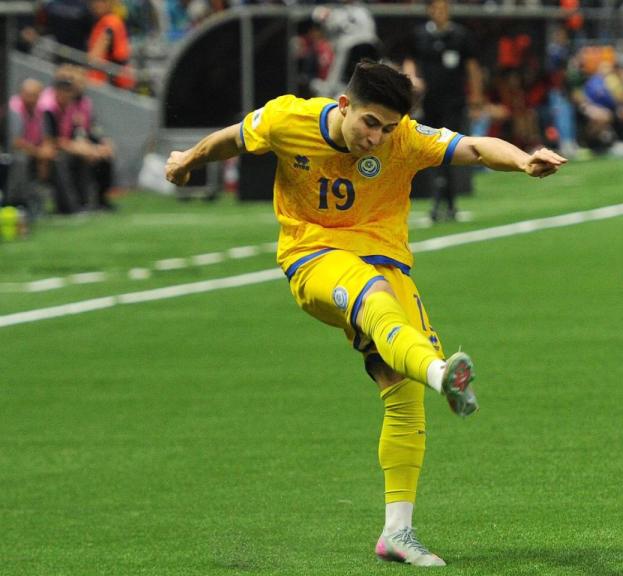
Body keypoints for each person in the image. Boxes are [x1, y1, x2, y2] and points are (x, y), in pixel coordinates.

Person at [163, 60, 566, 567]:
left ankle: (398, 533)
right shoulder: (290, 119)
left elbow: (476, 147)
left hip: (386, 260)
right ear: (344, 105)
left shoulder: (404, 139)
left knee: (401, 392)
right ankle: (444, 375)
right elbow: (234, 138)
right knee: (373, 299)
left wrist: (525, 160)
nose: (376, 138)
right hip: (315, 258)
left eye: (388, 128)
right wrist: (187, 161)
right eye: (370, 123)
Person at [402, 0, 484, 223]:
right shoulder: (419, 35)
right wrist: (413, 81)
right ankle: (441, 200)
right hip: (428, 102)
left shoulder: (460, 36)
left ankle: (446, 201)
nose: (440, 13)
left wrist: (476, 98)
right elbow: (409, 61)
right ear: (429, 11)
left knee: (449, 148)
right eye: (436, 9)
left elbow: (472, 68)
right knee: (430, 150)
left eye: (444, 9)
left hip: (454, 101)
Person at [39, 66, 116, 213]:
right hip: (47, 148)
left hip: (69, 144)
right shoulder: (47, 106)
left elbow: (83, 129)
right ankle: (69, 207)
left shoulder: (78, 103)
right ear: (57, 90)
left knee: (100, 156)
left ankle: (97, 201)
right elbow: (50, 140)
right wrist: (80, 148)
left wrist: (98, 145)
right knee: (62, 160)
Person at [6, 79, 55, 219]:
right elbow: (15, 142)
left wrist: (46, 150)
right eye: (28, 94)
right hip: (13, 152)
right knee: (22, 160)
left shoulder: (41, 110)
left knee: (54, 158)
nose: (31, 98)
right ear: (21, 93)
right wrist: (39, 152)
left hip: (33, 151)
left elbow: (47, 136)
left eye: (35, 95)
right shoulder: (14, 109)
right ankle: (16, 203)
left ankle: (41, 204)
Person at [86, 0, 135, 90]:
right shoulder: (109, 20)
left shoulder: (110, 23)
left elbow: (93, 58)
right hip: (110, 80)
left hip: (106, 83)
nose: (96, 4)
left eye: (102, 2)